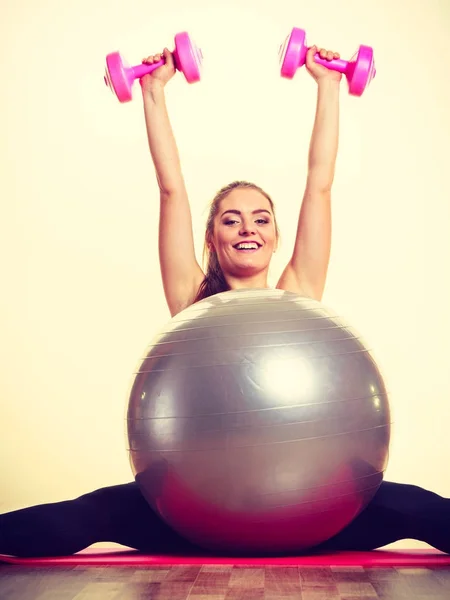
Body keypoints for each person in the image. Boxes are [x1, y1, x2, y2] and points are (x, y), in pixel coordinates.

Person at [1, 44, 449, 560]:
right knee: (90, 513)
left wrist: (328, 85)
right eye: (230, 219)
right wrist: (152, 90)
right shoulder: (193, 303)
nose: (247, 228)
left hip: (316, 511)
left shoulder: (298, 294)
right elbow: (171, 189)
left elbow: (319, 185)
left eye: (261, 218)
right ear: (211, 238)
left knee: (418, 507)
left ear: (277, 237)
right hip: (194, 514)